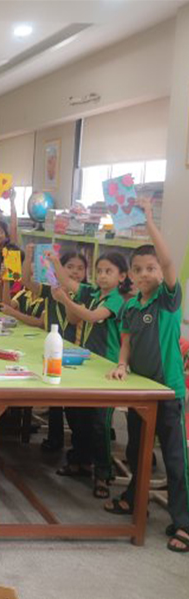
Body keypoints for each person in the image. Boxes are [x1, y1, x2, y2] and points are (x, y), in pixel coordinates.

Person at [106, 198, 189, 553]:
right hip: (141, 393)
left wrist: (150, 221)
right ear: (130, 275)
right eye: (138, 269)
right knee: (137, 450)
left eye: (151, 268)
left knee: (174, 459)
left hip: (168, 393)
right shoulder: (130, 307)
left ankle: (183, 521)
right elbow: (126, 342)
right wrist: (122, 364)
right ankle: (133, 497)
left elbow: (169, 262)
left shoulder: (167, 301)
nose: (145, 274)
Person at [49, 252, 130, 498]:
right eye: (99, 271)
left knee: (99, 423)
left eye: (109, 272)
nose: (102, 276)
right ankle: (80, 461)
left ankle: (103, 474)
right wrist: (54, 261)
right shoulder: (92, 292)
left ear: (122, 277)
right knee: (76, 413)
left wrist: (65, 300)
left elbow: (92, 317)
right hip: (86, 363)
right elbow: (67, 281)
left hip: (107, 369)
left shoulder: (116, 300)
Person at [21, 246, 89, 452]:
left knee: (72, 403)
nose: (75, 272)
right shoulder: (52, 288)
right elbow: (26, 282)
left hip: (74, 354)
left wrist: (65, 298)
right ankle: (55, 438)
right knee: (54, 397)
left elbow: (73, 319)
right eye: (70, 267)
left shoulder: (85, 293)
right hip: (52, 350)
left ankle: (79, 448)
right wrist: (29, 257)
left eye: (80, 268)